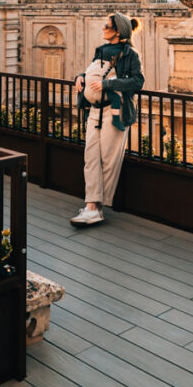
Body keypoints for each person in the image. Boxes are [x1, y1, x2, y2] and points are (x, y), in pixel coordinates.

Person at [70, 12, 144, 226]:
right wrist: (80, 77)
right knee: (90, 157)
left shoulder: (130, 54)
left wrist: (108, 85)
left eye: (106, 25)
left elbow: (137, 81)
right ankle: (91, 204)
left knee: (108, 159)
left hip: (115, 112)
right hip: (94, 110)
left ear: (118, 31)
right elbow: (92, 72)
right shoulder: (101, 51)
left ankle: (97, 207)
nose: (103, 28)